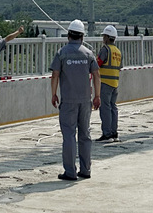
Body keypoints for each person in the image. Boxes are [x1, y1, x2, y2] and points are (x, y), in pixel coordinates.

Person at [50, 18, 101, 181]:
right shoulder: (88, 53)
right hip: (85, 101)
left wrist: (54, 93)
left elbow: (55, 75)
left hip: (69, 101)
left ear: (68, 36)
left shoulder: (62, 53)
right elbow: (96, 75)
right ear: (82, 37)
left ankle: (70, 172)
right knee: (85, 134)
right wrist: (97, 96)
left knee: (69, 135)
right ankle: (85, 170)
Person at [96, 24, 122, 142]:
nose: (103, 38)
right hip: (115, 83)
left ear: (107, 37)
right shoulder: (118, 51)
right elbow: (120, 67)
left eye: (104, 36)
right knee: (113, 107)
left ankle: (107, 133)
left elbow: (97, 64)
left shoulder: (105, 49)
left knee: (105, 108)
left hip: (105, 83)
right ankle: (114, 132)